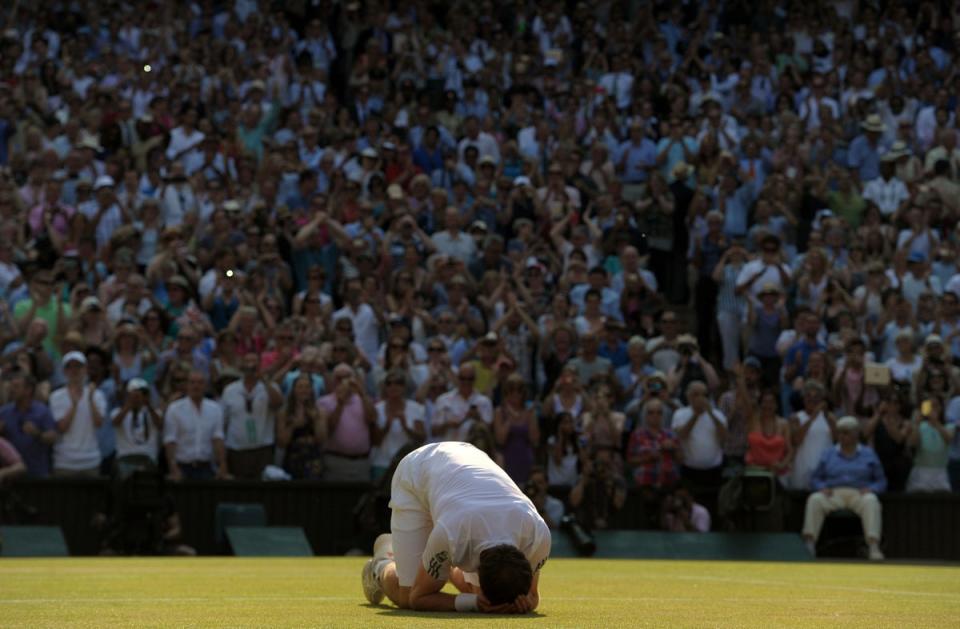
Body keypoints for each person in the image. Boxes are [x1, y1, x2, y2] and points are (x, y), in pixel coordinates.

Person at [361, 442, 549, 614]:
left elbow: (532, 595)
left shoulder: (538, 535)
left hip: (465, 463)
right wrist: (475, 603)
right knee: (406, 596)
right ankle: (381, 563)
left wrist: (526, 602)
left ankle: (442, 565)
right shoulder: (452, 532)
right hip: (416, 472)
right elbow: (418, 597)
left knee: (472, 589)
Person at [802, 416, 887, 560]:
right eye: (840, 432)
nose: (842, 436)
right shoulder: (828, 454)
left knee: (871, 501)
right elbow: (815, 478)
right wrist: (821, 487)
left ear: (856, 434)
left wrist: (872, 488)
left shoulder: (868, 454)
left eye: (846, 432)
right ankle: (809, 545)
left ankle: (873, 546)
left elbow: (881, 480)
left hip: (859, 494)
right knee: (815, 499)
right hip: (833, 494)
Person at [220, 353, 283, 479]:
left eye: (254, 362)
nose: (251, 366)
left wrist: (264, 380)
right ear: (242, 366)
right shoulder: (230, 390)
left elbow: (278, 404)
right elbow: (224, 421)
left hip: (263, 449)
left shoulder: (270, 387)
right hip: (237, 450)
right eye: (247, 362)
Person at [163, 370, 230, 481]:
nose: (196, 386)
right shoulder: (174, 409)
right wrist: (173, 467)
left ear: (205, 385)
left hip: (206, 466)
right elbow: (170, 440)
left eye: (200, 382)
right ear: (187, 385)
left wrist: (223, 465)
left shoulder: (215, 409)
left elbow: (218, 438)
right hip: (183, 466)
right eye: (192, 382)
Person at [318, 363, 377, 481]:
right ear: (333, 380)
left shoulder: (363, 400)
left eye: (347, 377)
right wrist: (340, 403)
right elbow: (329, 429)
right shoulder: (323, 402)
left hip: (361, 462)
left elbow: (372, 418)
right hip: (335, 461)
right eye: (339, 378)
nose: (343, 381)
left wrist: (362, 392)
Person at [50, 351, 106, 477]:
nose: (74, 370)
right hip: (64, 462)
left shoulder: (97, 395)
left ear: (85, 369)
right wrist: (74, 405)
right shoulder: (56, 396)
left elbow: (99, 423)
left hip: (90, 462)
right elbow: (62, 428)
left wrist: (90, 400)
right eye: (69, 367)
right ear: (64, 371)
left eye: (78, 366)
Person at [0, 372, 58, 477]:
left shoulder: (42, 411)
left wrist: (37, 433)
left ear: (28, 390)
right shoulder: (4, 412)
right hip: (11, 476)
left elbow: (53, 438)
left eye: (16, 386)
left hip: (37, 473)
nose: (12, 390)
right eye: (11, 386)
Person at [906, 397, 954, 492]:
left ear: (941, 408)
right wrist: (916, 424)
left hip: (940, 473)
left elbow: (948, 439)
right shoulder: (919, 426)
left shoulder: (949, 426)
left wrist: (935, 422)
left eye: (936, 405)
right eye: (930, 406)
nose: (933, 408)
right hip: (921, 473)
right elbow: (913, 443)